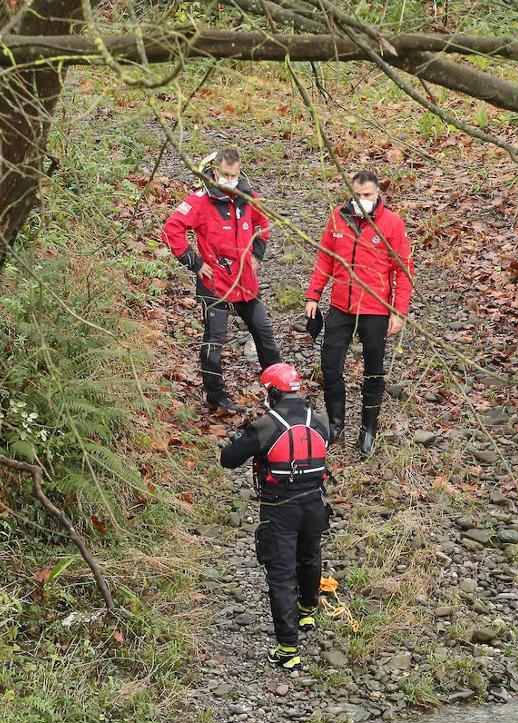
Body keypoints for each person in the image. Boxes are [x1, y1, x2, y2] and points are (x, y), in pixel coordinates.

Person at [220, 363, 331, 669]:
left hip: (280, 508)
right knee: (310, 556)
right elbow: (328, 439)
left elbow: (228, 459)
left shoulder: (268, 425)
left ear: (272, 393)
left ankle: (288, 650)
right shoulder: (318, 419)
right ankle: (307, 611)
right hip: (315, 503)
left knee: (281, 576)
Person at [304, 169, 413, 458]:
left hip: (375, 309)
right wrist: (313, 295)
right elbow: (325, 259)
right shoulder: (338, 218)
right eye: (357, 195)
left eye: (367, 195)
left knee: (373, 372)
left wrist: (398, 312)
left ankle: (368, 430)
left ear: (377, 194)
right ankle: (336, 425)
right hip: (341, 306)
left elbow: (403, 271)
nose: (362, 199)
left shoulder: (391, 223)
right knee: (330, 367)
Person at [163, 147, 280, 413]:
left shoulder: (247, 195)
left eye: (234, 175)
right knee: (214, 342)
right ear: (215, 171)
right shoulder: (200, 200)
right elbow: (171, 230)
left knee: (266, 337)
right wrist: (195, 263)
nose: (230, 180)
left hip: (245, 282)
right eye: (225, 175)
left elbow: (263, 223)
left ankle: (278, 393)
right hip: (214, 283)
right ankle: (216, 397)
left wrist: (257, 254)